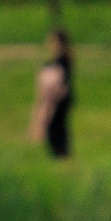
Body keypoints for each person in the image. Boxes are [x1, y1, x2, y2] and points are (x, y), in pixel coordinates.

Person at [28, 28, 74, 160]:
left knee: (55, 131)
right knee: (57, 131)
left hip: (58, 102)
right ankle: (62, 159)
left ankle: (61, 159)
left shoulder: (62, 62)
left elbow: (57, 83)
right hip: (61, 101)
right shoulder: (64, 60)